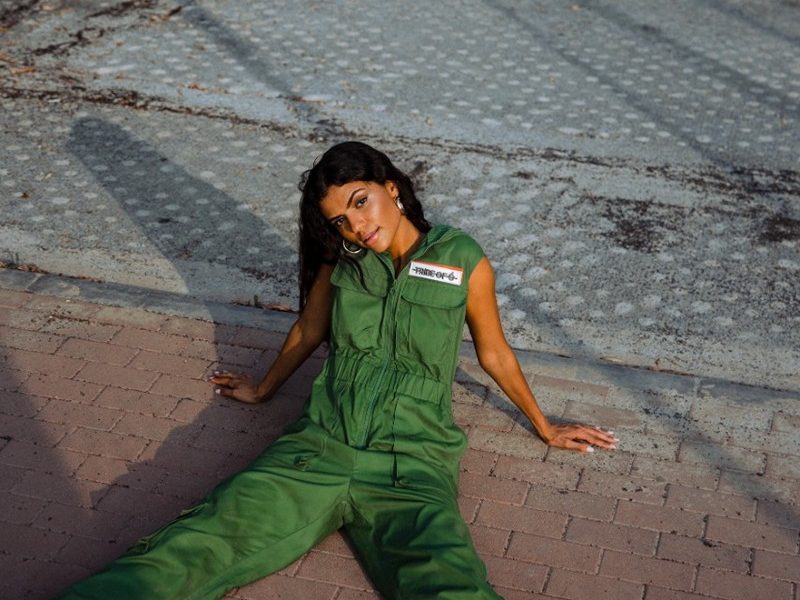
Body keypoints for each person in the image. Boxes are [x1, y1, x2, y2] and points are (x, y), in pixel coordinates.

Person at [60, 141, 617, 599]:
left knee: (450, 586)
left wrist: (545, 426)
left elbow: (494, 353)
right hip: (318, 447)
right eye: (341, 220)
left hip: (411, 464)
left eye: (361, 202)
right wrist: (263, 389)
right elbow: (308, 330)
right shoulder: (343, 262)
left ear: (391, 188)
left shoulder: (461, 258)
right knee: (190, 546)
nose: (357, 226)